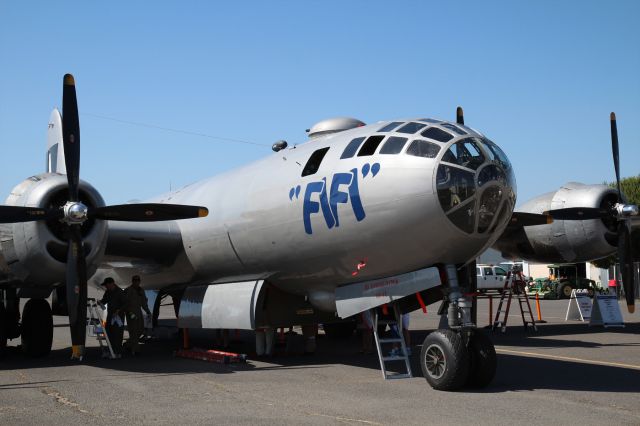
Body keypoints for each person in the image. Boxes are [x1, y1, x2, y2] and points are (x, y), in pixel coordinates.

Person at [124, 275, 151, 355]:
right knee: (134, 331)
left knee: (140, 329)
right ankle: (135, 349)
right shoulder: (128, 290)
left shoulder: (141, 290)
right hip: (131, 312)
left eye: (138, 280)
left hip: (138, 312)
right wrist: (129, 313)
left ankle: (128, 344)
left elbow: (144, 303)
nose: (136, 282)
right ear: (132, 281)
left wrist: (148, 311)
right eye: (135, 280)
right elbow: (125, 303)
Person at [99, 277, 126, 358]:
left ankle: (117, 353)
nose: (106, 287)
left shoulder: (120, 292)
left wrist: (119, 310)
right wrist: (99, 302)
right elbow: (104, 300)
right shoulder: (108, 292)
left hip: (118, 317)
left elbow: (125, 304)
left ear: (111, 284)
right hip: (110, 316)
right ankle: (112, 350)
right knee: (108, 333)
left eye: (106, 285)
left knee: (117, 334)